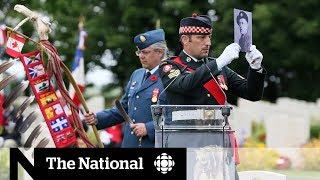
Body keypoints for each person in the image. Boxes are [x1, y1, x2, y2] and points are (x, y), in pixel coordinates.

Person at [159, 13, 266, 179]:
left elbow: (251, 94)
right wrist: (219, 62)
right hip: (186, 146)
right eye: (201, 37)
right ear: (185, 40)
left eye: (209, 37)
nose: (208, 42)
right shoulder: (170, 67)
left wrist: (256, 68)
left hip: (218, 147)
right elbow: (186, 84)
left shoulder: (219, 66)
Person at [84, 29, 168, 147]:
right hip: (130, 143)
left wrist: (149, 128)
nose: (141, 56)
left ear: (160, 52)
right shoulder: (137, 74)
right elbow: (123, 109)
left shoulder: (170, 76)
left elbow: (177, 115)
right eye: (139, 52)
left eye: (145, 52)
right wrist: (97, 118)